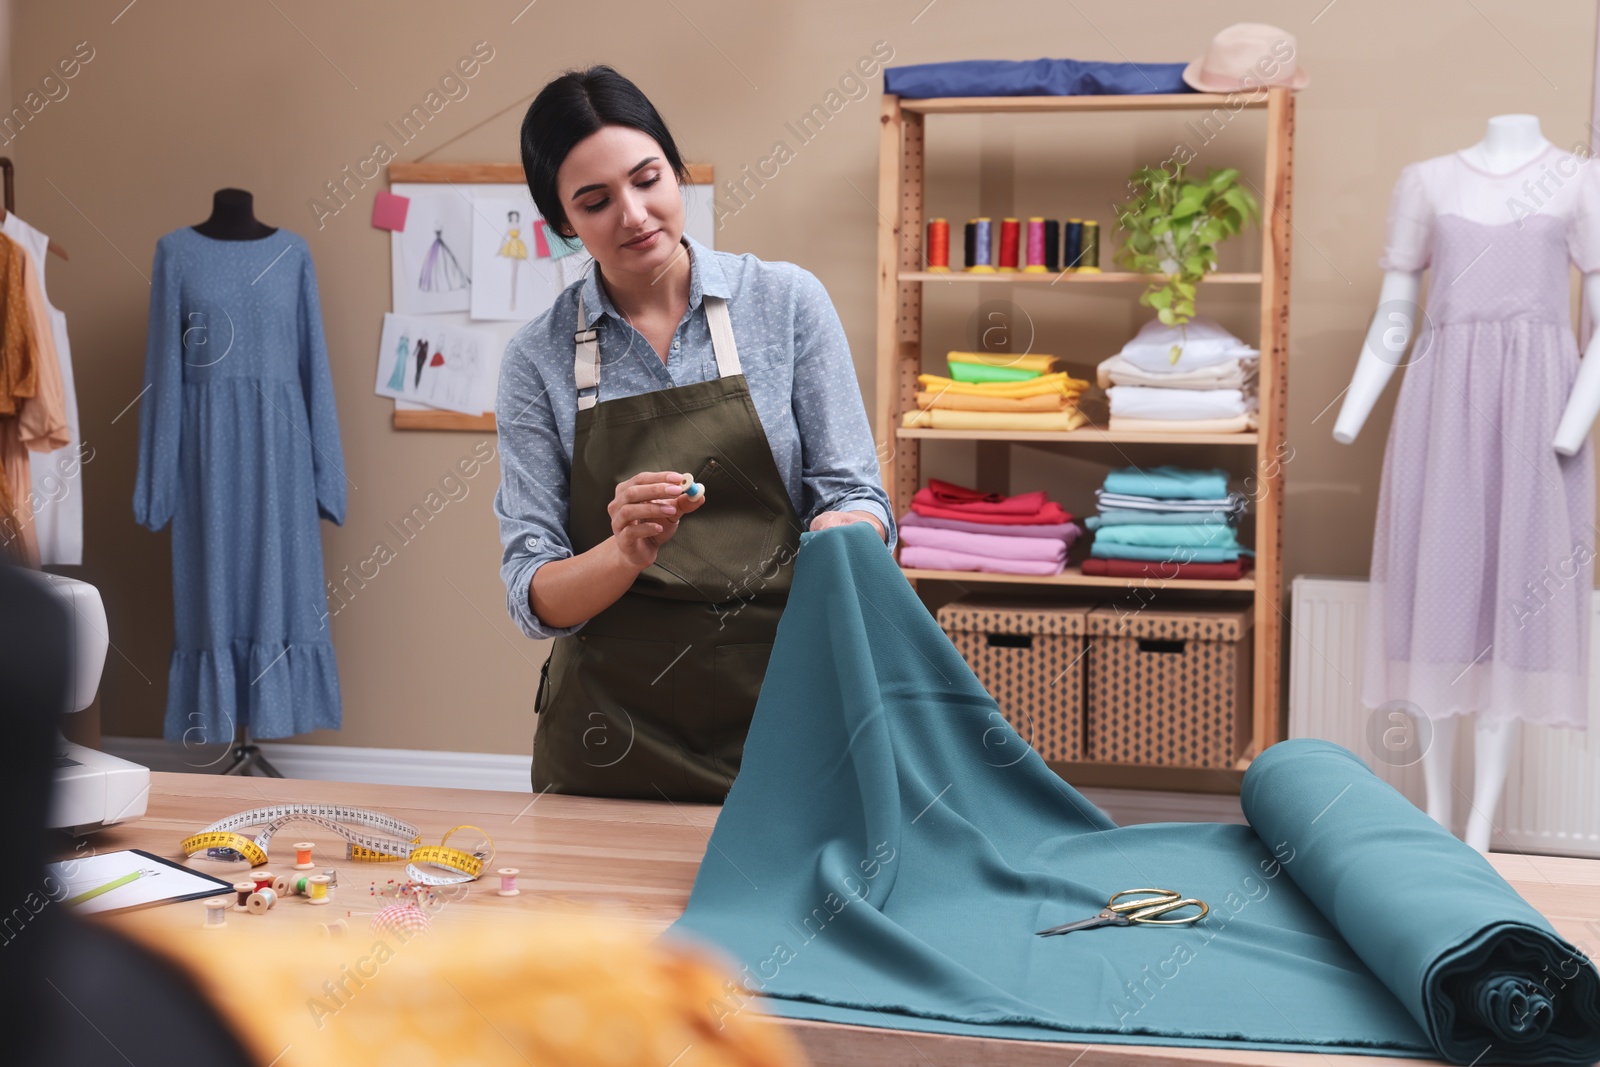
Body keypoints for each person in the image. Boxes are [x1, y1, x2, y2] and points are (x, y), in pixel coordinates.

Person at [494, 65, 895, 803]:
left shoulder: (787, 304)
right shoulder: (537, 358)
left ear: (677, 172)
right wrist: (622, 552)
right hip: (610, 737)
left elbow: (859, 495)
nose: (634, 214)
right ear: (561, 225)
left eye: (648, 179)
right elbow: (532, 593)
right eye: (595, 201)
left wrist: (846, 526)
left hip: (785, 709)